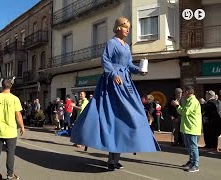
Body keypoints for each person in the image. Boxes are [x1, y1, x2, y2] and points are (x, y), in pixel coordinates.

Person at [70, 17, 160, 171]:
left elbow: (129, 64)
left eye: (129, 27)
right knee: (113, 116)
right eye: (125, 26)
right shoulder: (112, 43)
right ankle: (111, 159)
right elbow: (105, 60)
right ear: (118, 27)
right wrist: (112, 74)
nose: (128, 30)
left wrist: (139, 71)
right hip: (113, 81)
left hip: (126, 81)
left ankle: (115, 158)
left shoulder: (126, 46)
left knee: (127, 117)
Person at [0, 79, 25, 180]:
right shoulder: (15, 99)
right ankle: (10, 175)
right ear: (11, 86)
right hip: (11, 130)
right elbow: (18, 114)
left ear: (2, 86)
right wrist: (22, 126)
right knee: (10, 153)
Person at [172, 86, 202, 172]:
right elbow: (183, 111)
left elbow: (185, 112)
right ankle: (191, 161)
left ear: (188, 92)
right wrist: (178, 105)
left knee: (193, 147)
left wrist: (177, 106)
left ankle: (195, 165)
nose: (182, 94)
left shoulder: (193, 101)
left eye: (184, 92)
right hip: (187, 127)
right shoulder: (187, 100)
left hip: (192, 127)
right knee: (189, 146)